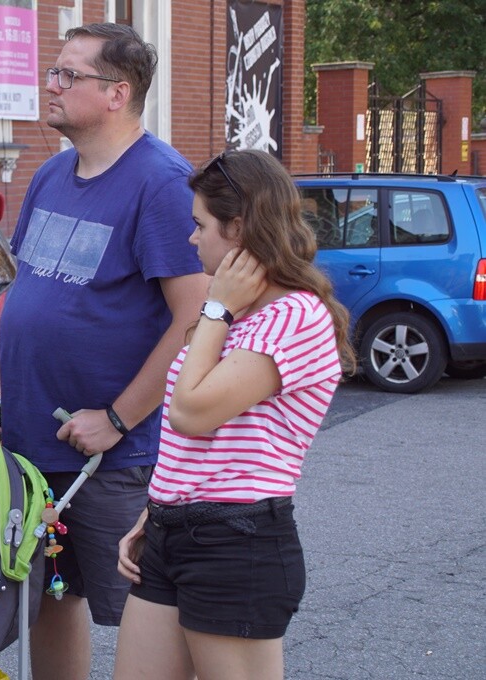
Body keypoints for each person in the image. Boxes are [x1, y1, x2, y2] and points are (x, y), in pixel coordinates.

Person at [0, 23, 209, 679]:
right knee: (57, 594)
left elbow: (194, 319)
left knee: (151, 609)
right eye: (53, 71)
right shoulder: (52, 173)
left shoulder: (161, 182)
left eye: (67, 75)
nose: (49, 85)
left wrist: (116, 418)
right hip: (31, 449)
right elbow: (25, 296)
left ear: (118, 92)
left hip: (112, 457)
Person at [113, 149, 356, 680]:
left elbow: (191, 412)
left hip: (234, 540)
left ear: (239, 228)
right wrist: (157, 507)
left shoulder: (294, 314)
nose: (191, 238)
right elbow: (195, 440)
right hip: (172, 531)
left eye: (200, 225)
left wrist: (216, 309)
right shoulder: (236, 314)